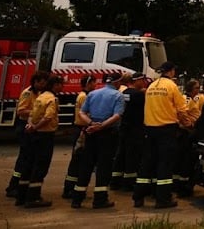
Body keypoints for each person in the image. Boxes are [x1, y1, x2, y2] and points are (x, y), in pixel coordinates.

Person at [132, 61, 191, 210]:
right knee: (165, 164)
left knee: (146, 163)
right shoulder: (172, 86)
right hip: (166, 130)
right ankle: (163, 199)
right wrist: (188, 124)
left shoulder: (152, 86)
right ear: (170, 72)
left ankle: (138, 197)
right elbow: (182, 109)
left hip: (150, 129)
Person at [70, 73, 125, 209]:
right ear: (117, 82)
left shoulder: (93, 94)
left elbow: (82, 113)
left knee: (86, 164)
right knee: (104, 166)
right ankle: (100, 199)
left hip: (91, 134)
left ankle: (77, 199)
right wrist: (101, 125)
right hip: (107, 134)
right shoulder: (118, 96)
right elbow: (117, 115)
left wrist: (91, 124)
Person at [18, 74, 63, 208]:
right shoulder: (51, 99)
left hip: (34, 135)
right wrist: (36, 127)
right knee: (41, 166)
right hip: (45, 136)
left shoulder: (40, 97)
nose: (62, 87)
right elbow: (48, 117)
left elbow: (31, 114)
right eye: (60, 85)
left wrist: (31, 126)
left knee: (29, 164)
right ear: (55, 85)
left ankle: (21, 196)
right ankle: (33, 197)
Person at [5, 70, 48, 198]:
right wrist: (36, 112)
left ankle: (21, 185)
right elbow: (21, 111)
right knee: (24, 158)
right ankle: (13, 186)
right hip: (24, 127)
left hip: (32, 127)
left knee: (29, 158)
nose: (43, 85)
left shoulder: (39, 93)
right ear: (35, 82)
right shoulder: (27, 93)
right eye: (41, 83)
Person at [62, 74, 97, 199]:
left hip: (80, 129)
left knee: (78, 159)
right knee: (78, 160)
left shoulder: (82, 96)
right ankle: (70, 189)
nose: (95, 85)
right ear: (88, 84)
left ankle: (70, 187)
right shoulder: (84, 97)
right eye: (94, 83)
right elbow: (86, 114)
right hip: (82, 130)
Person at [110, 72, 146, 191]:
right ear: (136, 81)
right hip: (136, 129)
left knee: (121, 154)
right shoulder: (139, 95)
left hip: (124, 128)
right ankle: (129, 182)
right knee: (133, 156)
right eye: (142, 80)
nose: (144, 82)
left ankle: (115, 181)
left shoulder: (123, 93)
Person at [173, 79, 202, 196]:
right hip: (186, 132)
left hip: (187, 131)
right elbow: (182, 113)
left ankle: (180, 184)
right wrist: (189, 125)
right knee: (184, 159)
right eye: (196, 88)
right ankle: (181, 186)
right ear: (190, 89)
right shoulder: (187, 100)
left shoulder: (193, 99)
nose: (198, 90)